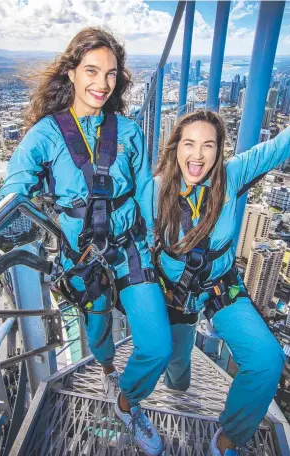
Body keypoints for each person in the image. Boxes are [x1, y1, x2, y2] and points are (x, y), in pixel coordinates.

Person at [0, 27, 172, 456]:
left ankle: (126, 403)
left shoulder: (130, 132)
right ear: (72, 73)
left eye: (111, 74)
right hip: (86, 258)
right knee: (98, 337)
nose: (101, 84)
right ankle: (111, 368)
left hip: (131, 249)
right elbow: (15, 193)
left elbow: (145, 195)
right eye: (91, 71)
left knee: (157, 345)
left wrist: (156, 246)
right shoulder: (46, 135)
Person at [154, 110, 289, 455]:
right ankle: (176, 389)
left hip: (220, 290)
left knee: (267, 359)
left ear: (219, 151)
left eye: (208, 145)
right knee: (178, 371)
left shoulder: (231, 176)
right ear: (176, 147)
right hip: (175, 297)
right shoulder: (155, 191)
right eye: (189, 144)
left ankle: (226, 440)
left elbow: (278, 147)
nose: (197, 155)